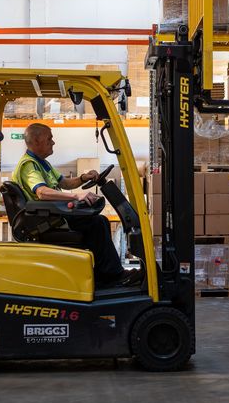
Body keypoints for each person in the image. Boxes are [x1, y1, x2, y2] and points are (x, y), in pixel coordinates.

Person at [12, 123, 141, 287]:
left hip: (54, 215)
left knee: (98, 221)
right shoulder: (29, 165)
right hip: (47, 221)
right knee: (97, 223)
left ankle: (104, 274)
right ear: (36, 141)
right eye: (49, 139)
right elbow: (42, 192)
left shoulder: (42, 163)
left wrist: (83, 178)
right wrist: (76, 196)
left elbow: (64, 183)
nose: (53, 142)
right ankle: (112, 275)